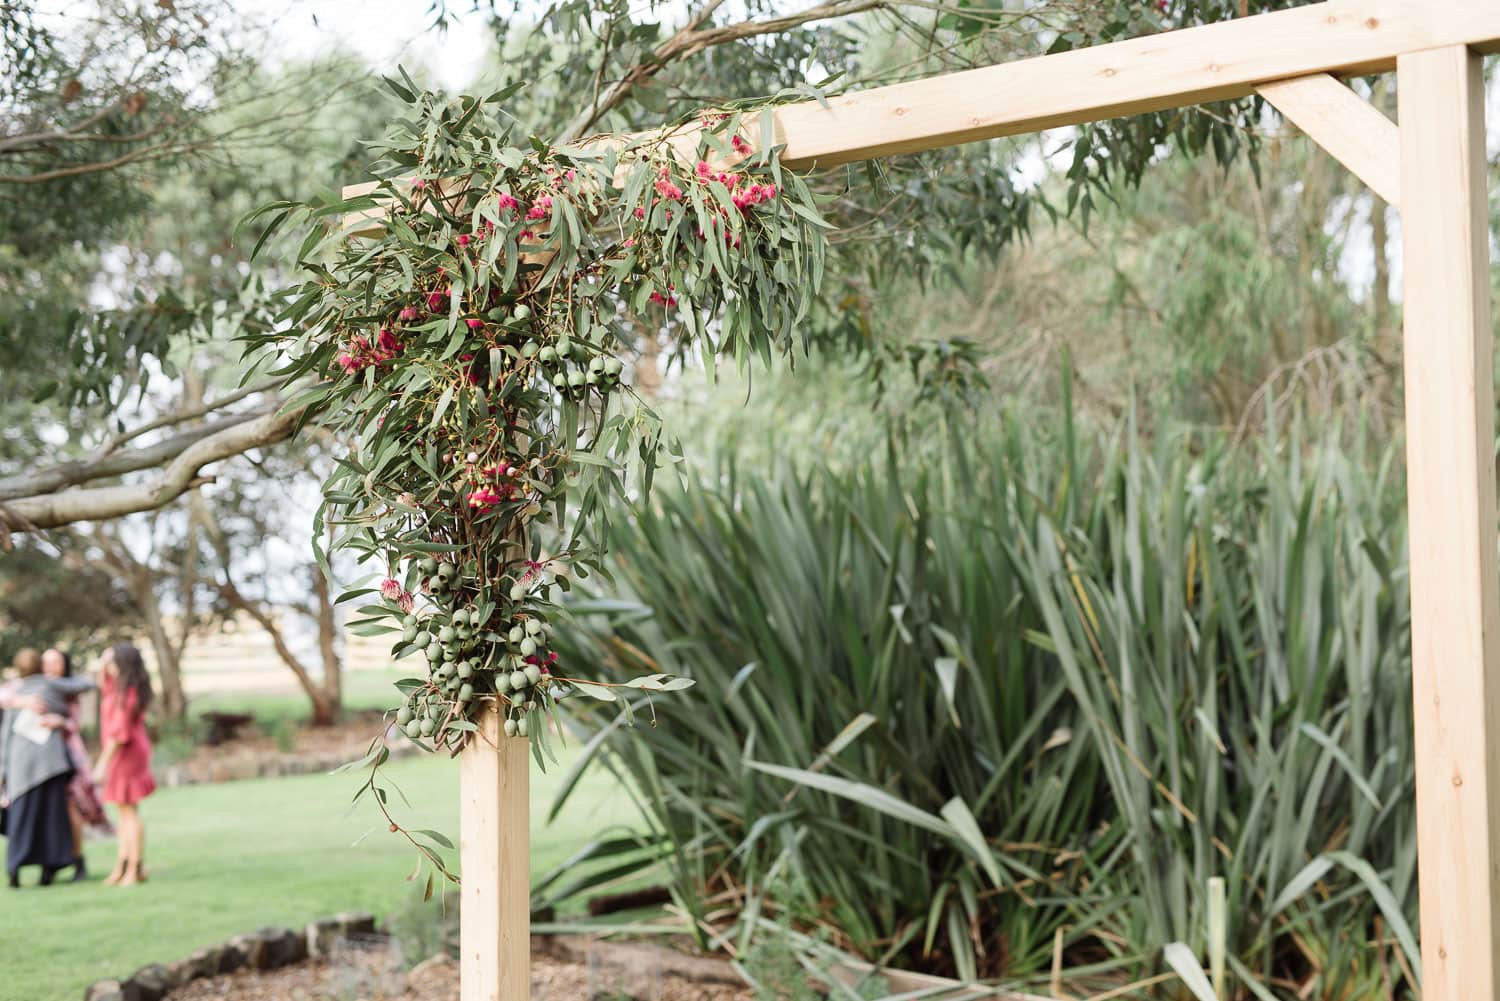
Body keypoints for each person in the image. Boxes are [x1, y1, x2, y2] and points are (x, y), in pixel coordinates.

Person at [0, 648, 95, 887]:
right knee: (53, 818)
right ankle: (51, 867)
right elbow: (86, 684)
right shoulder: (33, 690)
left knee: (23, 818)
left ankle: (16, 867)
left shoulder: (18, 691)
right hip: (51, 764)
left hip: (23, 768)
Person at [42, 648, 112, 881]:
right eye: (46, 662)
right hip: (42, 757)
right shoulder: (35, 688)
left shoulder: (69, 689)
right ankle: (50, 862)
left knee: (73, 807)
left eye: (56, 662)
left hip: (68, 754)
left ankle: (78, 860)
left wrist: (59, 721)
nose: (51, 667)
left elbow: (74, 723)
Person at [94, 644, 155, 886]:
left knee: (129, 812)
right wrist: (103, 661)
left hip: (127, 754)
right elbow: (102, 682)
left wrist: (101, 764)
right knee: (124, 812)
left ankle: (135, 867)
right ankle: (123, 865)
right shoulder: (117, 689)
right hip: (124, 753)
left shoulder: (128, 694)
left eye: (112, 662)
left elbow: (119, 735)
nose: (108, 667)